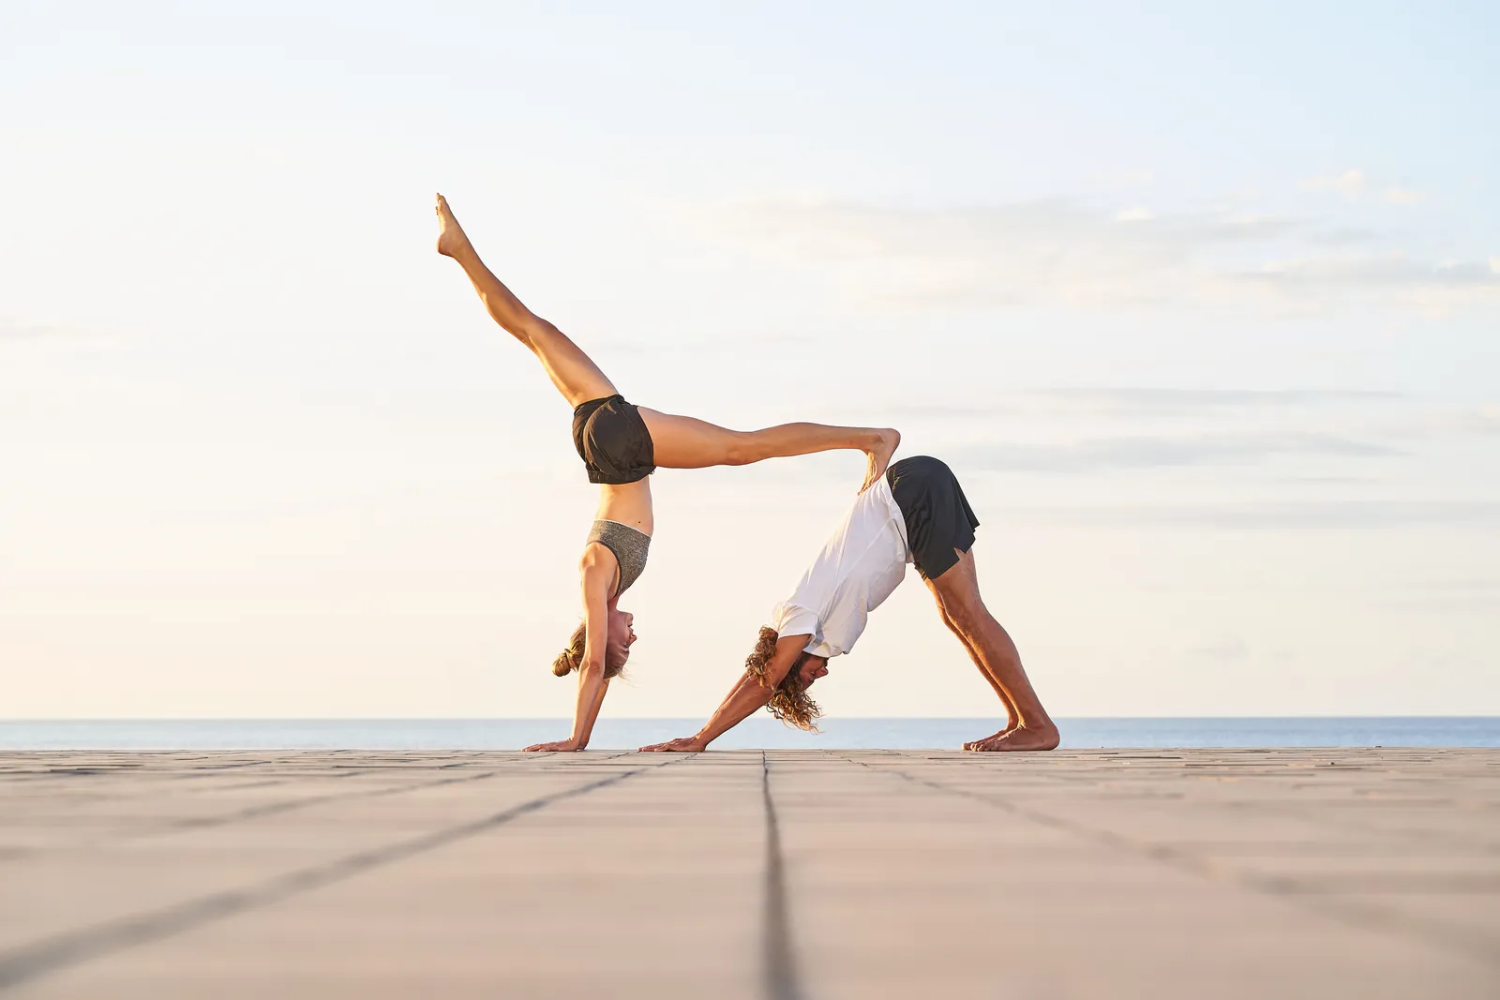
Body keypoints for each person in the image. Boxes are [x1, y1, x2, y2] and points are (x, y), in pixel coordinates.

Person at [434, 194, 900, 753]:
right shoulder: (605, 583)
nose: (633, 636)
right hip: (604, 445)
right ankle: (460, 253)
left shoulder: (594, 580)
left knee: (742, 448)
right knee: (531, 331)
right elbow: (593, 661)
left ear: (601, 637)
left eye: (624, 643)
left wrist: (576, 738)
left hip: (621, 448)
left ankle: (870, 439)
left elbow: (592, 668)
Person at [640, 455, 1058, 753]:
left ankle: (1036, 725)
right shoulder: (813, 628)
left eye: (806, 675)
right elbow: (766, 674)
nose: (821, 673)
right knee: (957, 617)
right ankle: (1020, 721)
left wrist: (701, 737)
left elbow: (762, 680)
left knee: (967, 614)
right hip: (910, 503)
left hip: (909, 496)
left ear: (788, 661)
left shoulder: (797, 615)